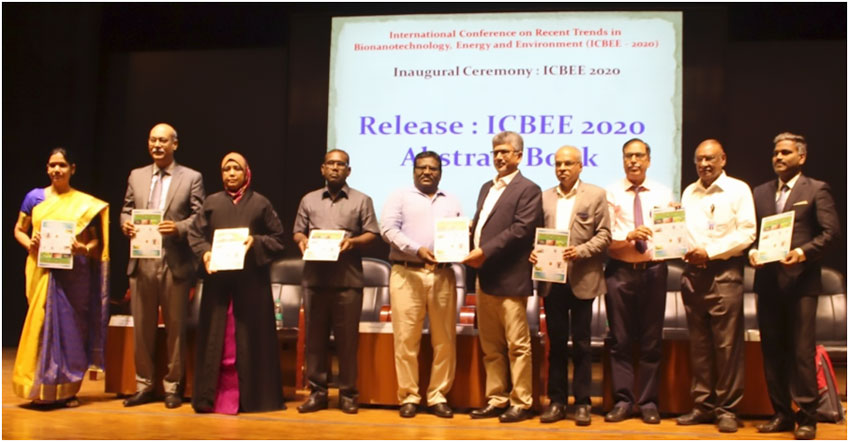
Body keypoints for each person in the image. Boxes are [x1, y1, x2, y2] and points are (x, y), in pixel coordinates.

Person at [748, 133, 840, 440]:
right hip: (768, 283)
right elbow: (752, 235)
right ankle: (781, 414)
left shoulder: (816, 189)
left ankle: (807, 417)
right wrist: (753, 253)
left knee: (801, 352)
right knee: (773, 351)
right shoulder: (760, 192)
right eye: (776, 152)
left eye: (786, 152)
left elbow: (831, 233)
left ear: (801, 157)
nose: (778, 157)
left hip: (801, 283)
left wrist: (802, 252)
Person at [187, 152, 286, 414]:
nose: (231, 173)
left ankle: (252, 398)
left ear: (246, 173)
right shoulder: (211, 203)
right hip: (218, 287)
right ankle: (212, 397)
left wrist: (257, 242)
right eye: (226, 169)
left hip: (251, 286)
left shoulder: (261, 203)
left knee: (249, 340)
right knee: (217, 340)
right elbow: (195, 235)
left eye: (236, 169)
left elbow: (278, 239)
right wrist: (205, 253)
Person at [12, 147, 110, 408]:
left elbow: (96, 243)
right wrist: (30, 244)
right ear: (47, 169)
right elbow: (18, 230)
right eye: (52, 165)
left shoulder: (84, 204)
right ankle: (38, 388)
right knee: (41, 326)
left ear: (72, 169)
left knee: (70, 331)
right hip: (41, 270)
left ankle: (67, 390)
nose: (57, 170)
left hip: (73, 276)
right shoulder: (34, 197)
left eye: (62, 165)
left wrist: (83, 248)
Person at [121, 123, 204, 409]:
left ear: (174, 145)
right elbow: (125, 210)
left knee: (175, 329)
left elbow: (200, 217)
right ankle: (144, 385)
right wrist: (126, 224)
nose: (157, 145)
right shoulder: (136, 175)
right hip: (142, 259)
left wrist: (178, 228)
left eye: (163, 141)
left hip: (174, 261)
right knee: (142, 329)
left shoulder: (191, 177)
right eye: (153, 140)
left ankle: (173, 387)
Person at [462, 131, 542, 423]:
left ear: (519, 156)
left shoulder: (528, 189)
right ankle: (496, 398)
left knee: (517, 346)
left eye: (505, 152)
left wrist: (484, 250)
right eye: (495, 152)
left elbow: (521, 230)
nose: (499, 157)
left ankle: (521, 402)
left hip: (511, 278)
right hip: (485, 277)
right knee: (491, 346)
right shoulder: (487, 187)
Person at [677, 139, 756, 433]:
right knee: (699, 346)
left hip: (724, 273)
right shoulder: (689, 192)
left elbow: (748, 233)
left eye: (710, 158)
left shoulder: (738, 189)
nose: (704, 164)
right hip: (692, 275)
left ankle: (727, 409)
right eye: (699, 159)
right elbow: (682, 232)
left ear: (723, 159)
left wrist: (709, 253)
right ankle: (703, 406)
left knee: (726, 346)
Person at [293, 149, 380, 415]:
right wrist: (302, 241)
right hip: (315, 280)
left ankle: (348, 394)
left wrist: (352, 242)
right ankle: (317, 393)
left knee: (347, 342)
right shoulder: (308, 200)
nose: (335, 168)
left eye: (340, 164)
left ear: (348, 170)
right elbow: (297, 231)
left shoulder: (362, 200)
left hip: (347, 281)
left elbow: (372, 232)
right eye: (330, 163)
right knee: (315, 342)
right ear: (322, 168)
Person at [531, 145, 611, 426]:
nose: (562, 168)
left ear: (580, 166)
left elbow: (604, 235)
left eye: (568, 163)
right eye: (558, 164)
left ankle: (583, 403)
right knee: (556, 345)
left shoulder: (596, 195)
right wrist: (533, 252)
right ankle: (556, 402)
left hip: (582, 279)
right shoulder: (543, 197)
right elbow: (534, 235)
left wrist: (581, 251)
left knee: (582, 344)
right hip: (552, 279)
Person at [380, 151, 463, 419]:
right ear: (414, 170)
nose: (427, 172)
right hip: (407, 273)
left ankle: (438, 396)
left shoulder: (452, 200)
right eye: (422, 167)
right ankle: (409, 396)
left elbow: (461, 234)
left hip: (442, 274)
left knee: (445, 340)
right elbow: (388, 230)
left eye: (433, 168)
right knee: (406, 339)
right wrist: (417, 250)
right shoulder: (399, 196)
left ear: (440, 172)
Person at [603, 139, 674, 425]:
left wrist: (675, 223)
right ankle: (623, 401)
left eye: (639, 156)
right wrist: (628, 237)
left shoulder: (663, 192)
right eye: (628, 156)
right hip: (619, 271)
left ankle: (648, 403)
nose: (633, 161)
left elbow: (672, 233)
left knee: (651, 341)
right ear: (623, 160)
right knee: (619, 340)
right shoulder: (610, 192)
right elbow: (605, 239)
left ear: (648, 160)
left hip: (654, 270)